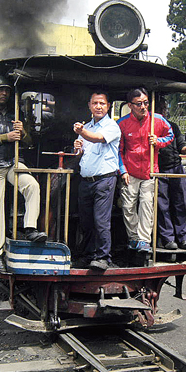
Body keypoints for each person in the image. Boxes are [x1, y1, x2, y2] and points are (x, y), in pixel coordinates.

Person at [0, 75, 47, 273]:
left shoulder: (16, 113)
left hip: (13, 162)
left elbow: (29, 142)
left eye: (6, 90)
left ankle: (30, 228)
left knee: (32, 185)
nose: (4, 93)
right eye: (0, 90)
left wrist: (22, 132)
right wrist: (4, 137)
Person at [118, 88, 174, 253]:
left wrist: (158, 141)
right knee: (128, 207)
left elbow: (170, 136)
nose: (143, 107)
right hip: (130, 172)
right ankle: (134, 238)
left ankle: (143, 241)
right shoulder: (122, 123)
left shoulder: (158, 120)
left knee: (147, 206)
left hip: (150, 172)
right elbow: (118, 150)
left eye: (146, 103)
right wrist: (123, 170)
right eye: (138, 104)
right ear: (130, 105)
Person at [73, 91, 121, 271]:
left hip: (104, 180)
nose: (98, 106)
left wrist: (81, 132)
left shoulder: (112, 126)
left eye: (102, 103)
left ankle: (103, 257)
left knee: (101, 220)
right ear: (89, 106)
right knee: (86, 221)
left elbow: (98, 138)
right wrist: (77, 147)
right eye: (95, 103)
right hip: (86, 180)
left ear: (108, 106)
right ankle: (87, 255)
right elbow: (80, 153)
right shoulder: (87, 127)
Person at [154, 99, 186, 250]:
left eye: (164, 109)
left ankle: (183, 238)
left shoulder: (173, 126)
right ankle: (167, 239)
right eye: (160, 108)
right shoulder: (150, 127)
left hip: (176, 168)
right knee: (162, 206)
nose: (163, 111)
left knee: (181, 203)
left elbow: (181, 147)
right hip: (159, 169)